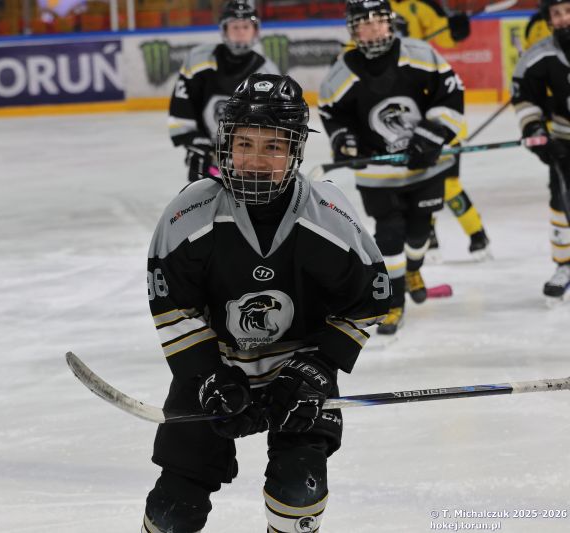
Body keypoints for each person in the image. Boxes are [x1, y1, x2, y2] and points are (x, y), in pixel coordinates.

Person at [142, 73, 390, 533]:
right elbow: (173, 305)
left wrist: (316, 368)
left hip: (301, 366)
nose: (256, 160)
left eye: (273, 146)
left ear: (296, 150)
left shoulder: (328, 215)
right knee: (175, 504)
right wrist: (208, 375)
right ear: (225, 144)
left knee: (299, 487)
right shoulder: (189, 214)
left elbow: (368, 298)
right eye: (245, 144)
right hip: (212, 366)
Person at [318, 0, 464, 334]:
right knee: (390, 233)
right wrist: (344, 139)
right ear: (353, 30)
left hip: (425, 167)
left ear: (390, 23)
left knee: (419, 233)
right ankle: (394, 301)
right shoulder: (342, 71)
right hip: (379, 175)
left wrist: (432, 133)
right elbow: (330, 111)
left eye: (378, 22)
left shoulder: (420, 54)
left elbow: (451, 91)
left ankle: (413, 269)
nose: (372, 31)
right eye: (363, 24)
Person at [390, 0, 490, 260]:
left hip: (440, 126)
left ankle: (477, 233)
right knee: (416, 184)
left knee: (448, 186)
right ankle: (428, 234)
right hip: (406, 128)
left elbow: (445, 35)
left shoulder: (421, 12)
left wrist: (456, 29)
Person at [168, 0, 279, 183]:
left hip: (248, 157)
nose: (241, 32)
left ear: (255, 30)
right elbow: (183, 105)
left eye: (246, 26)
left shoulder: (268, 72)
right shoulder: (198, 61)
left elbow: (273, 123)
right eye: (235, 27)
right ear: (224, 30)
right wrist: (193, 140)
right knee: (201, 195)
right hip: (205, 152)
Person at [511, 0, 570, 301]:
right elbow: (524, 98)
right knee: (561, 201)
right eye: (556, 14)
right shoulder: (538, 56)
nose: (563, 19)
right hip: (565, 143)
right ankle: (565, 265)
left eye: (568, 11)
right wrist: (534, 129)